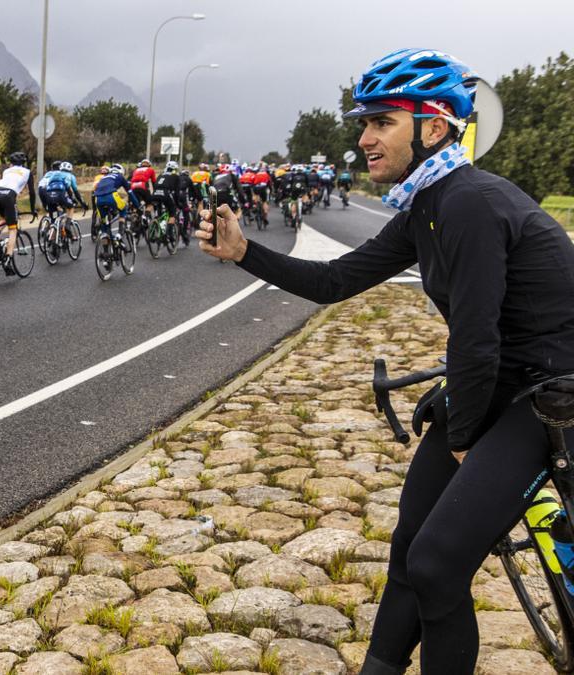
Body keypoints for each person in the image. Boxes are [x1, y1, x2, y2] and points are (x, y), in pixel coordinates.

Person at [195, 48, 574, 675]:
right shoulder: (428, 203)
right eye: (364, 123)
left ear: (433, 127)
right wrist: (244, 253)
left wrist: (464, 438)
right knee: (408, 551)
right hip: (500, 380)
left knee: (435, 564)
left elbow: (477, 337)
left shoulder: (469, 203)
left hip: (550, 392)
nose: (364, 138)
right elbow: (337, 279)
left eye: (382, 122)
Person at [0, 151, 37, 274]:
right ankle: (8, 257)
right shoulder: (27, 172)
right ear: (24, 163)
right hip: (9, 196)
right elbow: (32, 193)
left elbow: (6, 183)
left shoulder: (6, 171)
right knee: (13, 228)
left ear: (11, 163)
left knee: (5, 218)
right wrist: (33, 209)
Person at [91, 164, 138, 242]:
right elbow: (130, 193)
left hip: (97, 198)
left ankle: (105, 250)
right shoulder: (120, 176)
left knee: (104, 226)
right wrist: (137, 205)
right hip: (111, 195)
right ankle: (120, 233)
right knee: (123, 208)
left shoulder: (103, 177)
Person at [153, 161, 183, 246]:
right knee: (172, 212)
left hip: (155, 194)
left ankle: (157, 228)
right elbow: (177, 193)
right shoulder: (176, 176)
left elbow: (155, 185)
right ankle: (169, 234)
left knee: (159, 213)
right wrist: (178, 204)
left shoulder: (161, 175)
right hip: (165, 193)